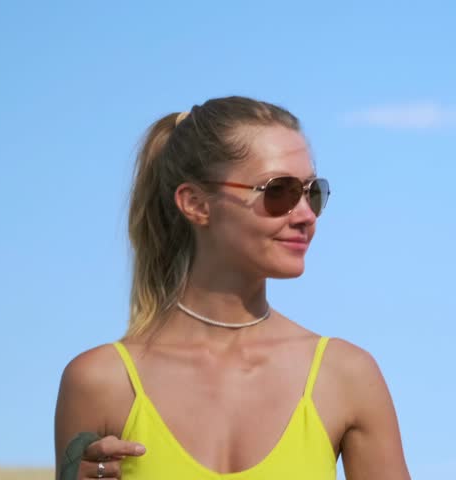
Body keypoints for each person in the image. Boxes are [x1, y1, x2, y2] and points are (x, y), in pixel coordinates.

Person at [53, 96, 411, 479]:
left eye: (313, 193)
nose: (306, 215)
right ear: (196, 204)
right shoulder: (99, 382)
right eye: (279, 191)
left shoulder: (347, 376)